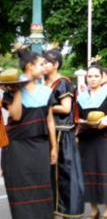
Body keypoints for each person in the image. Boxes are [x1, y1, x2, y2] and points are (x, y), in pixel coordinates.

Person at [1, 47, 57, 219]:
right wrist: (18, 88)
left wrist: (53, 147)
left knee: (42, 189)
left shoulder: (46, 91)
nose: (44, 67)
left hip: (40, 146)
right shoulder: (11, 90)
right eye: (41, 64)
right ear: (30, 66)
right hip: (17, 148)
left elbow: (49, 120)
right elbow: (16, 115)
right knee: (20, 191)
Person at [43, 49, 84, 218]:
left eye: (46, 63)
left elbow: (66, 108)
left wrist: (45, 106)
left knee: (64, 174)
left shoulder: (63, 82)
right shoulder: (43, 83)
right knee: (49, 174)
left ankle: (67, 210)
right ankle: (52, 208)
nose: (43, 65)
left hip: (62, 133)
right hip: (47, 131)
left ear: (55, 65)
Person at [76, 64, 107, 219]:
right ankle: (94, 209)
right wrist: (81, 121)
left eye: (96, 76)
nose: (93, 79)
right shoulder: (81, 96)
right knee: (87, 174)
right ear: (86, 78)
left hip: (104, 137)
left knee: (105, 172)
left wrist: (106, 118)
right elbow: (76, 115)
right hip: (86, 138)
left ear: (102, 77)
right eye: (90, 76)